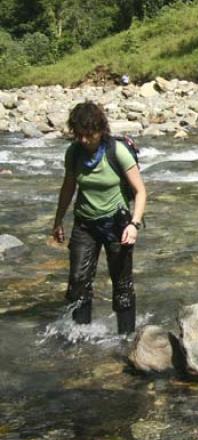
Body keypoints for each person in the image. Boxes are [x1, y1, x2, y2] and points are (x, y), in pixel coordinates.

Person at [52, 102, 147, 334]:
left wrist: (134, 224)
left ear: (100, 130)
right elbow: (68, 187)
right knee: (78, 281)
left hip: (117, 225)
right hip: (85, 224)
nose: (84, 140)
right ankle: (80, 335)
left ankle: (126, 337)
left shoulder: (118, 152)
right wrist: (58, 220)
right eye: (79, 135)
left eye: (89, 135)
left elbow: (140, 192)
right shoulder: (74, 152)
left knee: (122, 285)